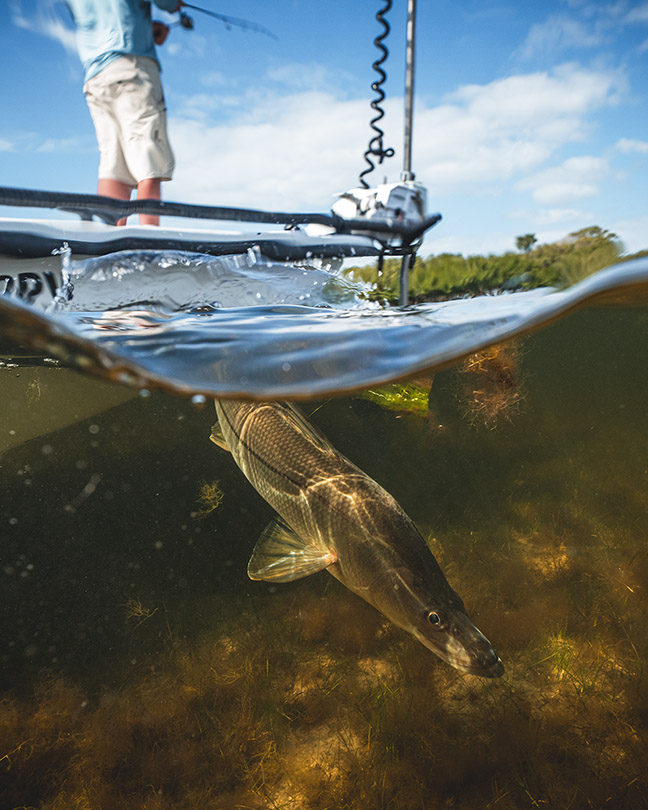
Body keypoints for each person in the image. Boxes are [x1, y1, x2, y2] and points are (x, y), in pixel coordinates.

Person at [65, 0, 183, 225]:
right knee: (148, 153)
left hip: (95, 77)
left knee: (113, 164)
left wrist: (146, 27)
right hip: (133, 65)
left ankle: (108, 244)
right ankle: (148, 243)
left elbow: (106, 18)